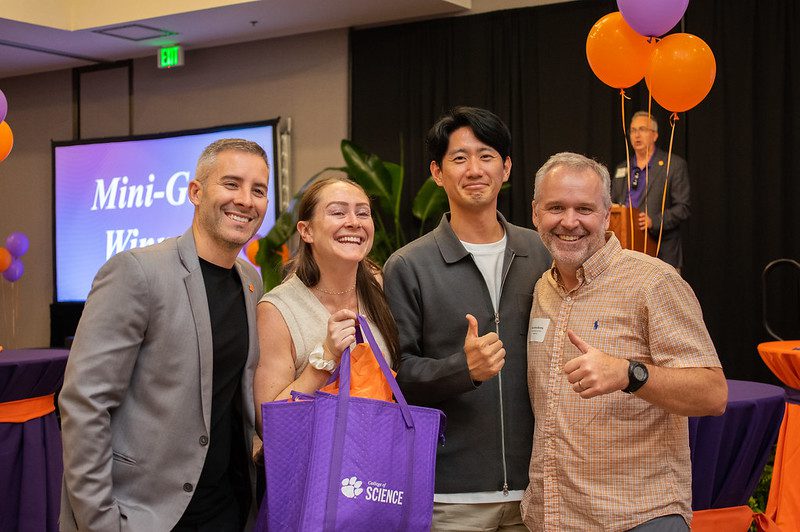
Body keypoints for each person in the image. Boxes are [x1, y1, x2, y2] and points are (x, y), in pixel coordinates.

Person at [59, 138, 269, 531]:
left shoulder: (251, 281)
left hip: (227, 509)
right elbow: (84, 405)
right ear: (195, 191)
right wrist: (101, 523)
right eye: (231, 183)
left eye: (258, 190)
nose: (245, 200)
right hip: (144, 515)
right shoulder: (137, 271)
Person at [522, 152, 727, 531]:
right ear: (536, 214)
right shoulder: (541, 290)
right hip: (553, 517)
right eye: (556, 207)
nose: (569, 222)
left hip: (637, 517)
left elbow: (713, 394)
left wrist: (629, 374)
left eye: (584, 208)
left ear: (607, 214)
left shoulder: (653, 282)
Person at [383, 106, 550, 531]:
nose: (474, 169)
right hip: (451, 496)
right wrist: (464, 370)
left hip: (540, 488)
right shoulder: (409, 265)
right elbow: (394, 374)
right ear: (438, 173)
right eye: (459, 158)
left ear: (507, 167)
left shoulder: (541, 254)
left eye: (487, 155)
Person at [253, 175, 397, 415]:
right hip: (313, 453)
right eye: (338, 213)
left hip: (378, 449)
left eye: (363, 213)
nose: (353, 222)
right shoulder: (276, 310)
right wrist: (326, 358)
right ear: (306, 231)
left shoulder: (379, 288)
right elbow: (268, 423)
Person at [613, 111, 690, 271]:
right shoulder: (622, 168)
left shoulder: (673, 165)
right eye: (633, 130)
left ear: (654, 135)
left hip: (660, 251)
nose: (637, 135)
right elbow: (613, 202)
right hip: (625, 251)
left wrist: (653, 221)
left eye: (642, 129)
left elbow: (683, 208)